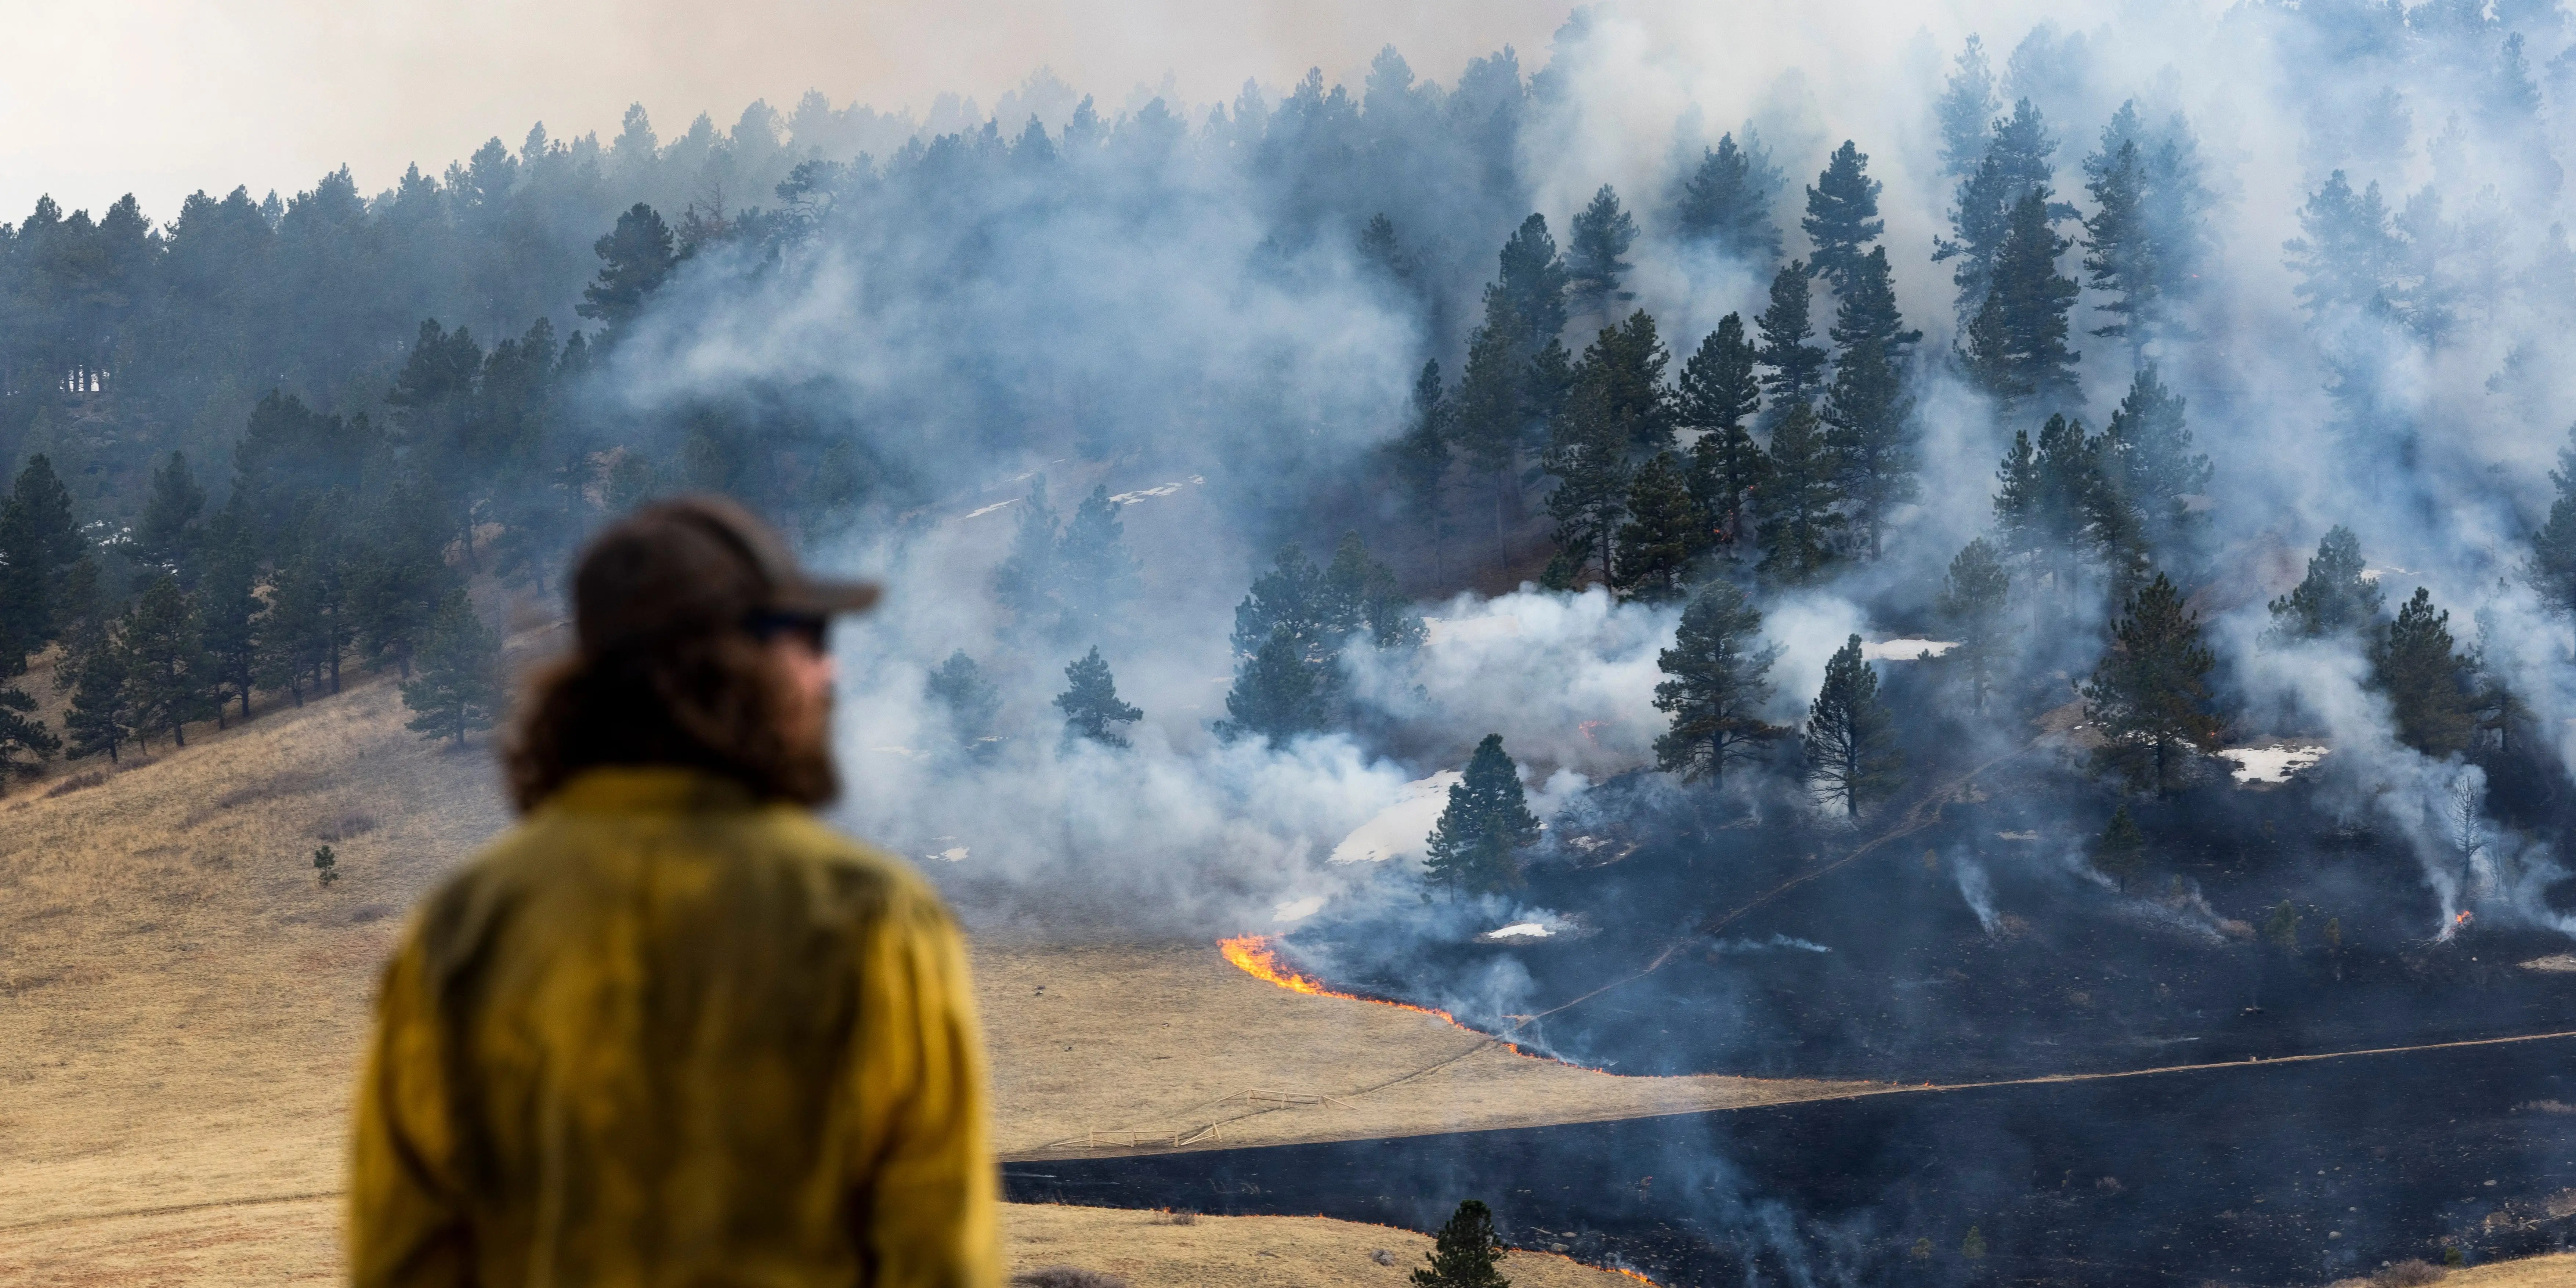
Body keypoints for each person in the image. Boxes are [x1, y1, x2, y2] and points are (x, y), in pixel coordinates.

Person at [349, 496, 999, 1288]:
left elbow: (403, 1254)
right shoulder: (870, 916)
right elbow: (941, 1254)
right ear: (738, 660)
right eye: (809, 640)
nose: (827, 672)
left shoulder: (465, 924)